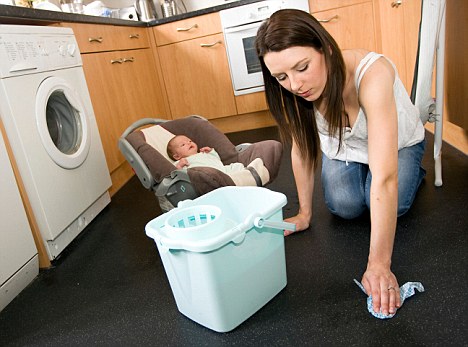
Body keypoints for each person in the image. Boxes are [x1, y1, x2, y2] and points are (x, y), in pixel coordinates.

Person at [255, 9, 426, 316]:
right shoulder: (293, 89)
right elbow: (302, 149)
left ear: (326, 48)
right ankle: (365, 175)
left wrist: (378, 265)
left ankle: (414, 169)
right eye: (281, 77)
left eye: (302, 67)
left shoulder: (372, 74)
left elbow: (385, 178)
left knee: (389, 202)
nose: (294, 84)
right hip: (347, 148)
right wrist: (305, 213)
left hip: (398, 145)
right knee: (344, 206)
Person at [166, 135, 270, 185]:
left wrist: (211, 152)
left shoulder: (202, 153)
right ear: (176, 156)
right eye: (183, 144)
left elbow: (216, 160)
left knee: (237, 165)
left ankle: (248, 173)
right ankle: (247, 177)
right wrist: (179, 167)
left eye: (190, 141)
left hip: (223, 169)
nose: (189, 143)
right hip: (210, 177)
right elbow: (178, 174)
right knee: (227, 175)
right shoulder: (182, 161)